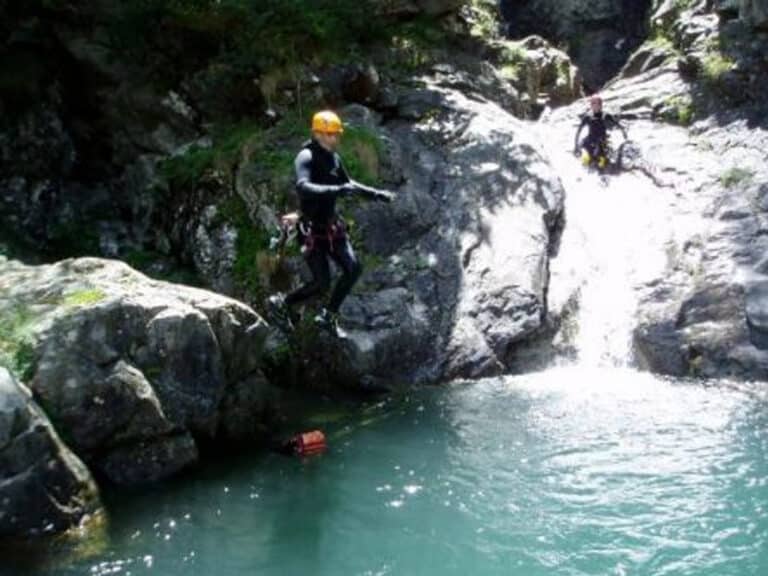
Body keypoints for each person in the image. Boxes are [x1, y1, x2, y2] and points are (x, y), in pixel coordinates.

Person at [268, 110, 394, 337]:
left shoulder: (334, 158)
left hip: (332, 228)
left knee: (353, 269)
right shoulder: (306, 156)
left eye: (336, 134)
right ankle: (283, 303)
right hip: (311, 231)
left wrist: (376, 194)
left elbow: (348, 183)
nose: (335, 139)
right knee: (321, 283)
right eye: (329, 134)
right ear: (317, 133)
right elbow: (303, 187)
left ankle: (328, 315)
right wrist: (336, 190)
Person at [574, 94, 627, 169]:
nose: (594, 105)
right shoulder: (588, 116)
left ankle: (601, 167)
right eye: (592, 103)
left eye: (596, 103)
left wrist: (624, 133)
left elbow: (617, 124)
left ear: (600, 105)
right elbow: (579, 130)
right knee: (586, 161)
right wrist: (576, 145)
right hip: (590, 141)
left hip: (602, 142)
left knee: (602, 165)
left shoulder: (605, 115)